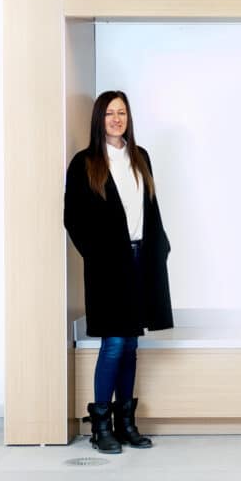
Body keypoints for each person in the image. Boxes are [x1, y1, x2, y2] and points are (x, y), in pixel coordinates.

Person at [64, 91, 173, 454]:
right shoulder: (86, 162)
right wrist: (98, 256)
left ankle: (126, 423)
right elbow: (74, 219)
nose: (116, 118)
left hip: (141, 260)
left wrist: (161, 249)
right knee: (113, 343)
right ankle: (101, 425)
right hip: (108, 265)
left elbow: (150, 209)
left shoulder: (140, 158)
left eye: (121, 112)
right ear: (99, 119)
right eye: (109, 113)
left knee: (131, 345)